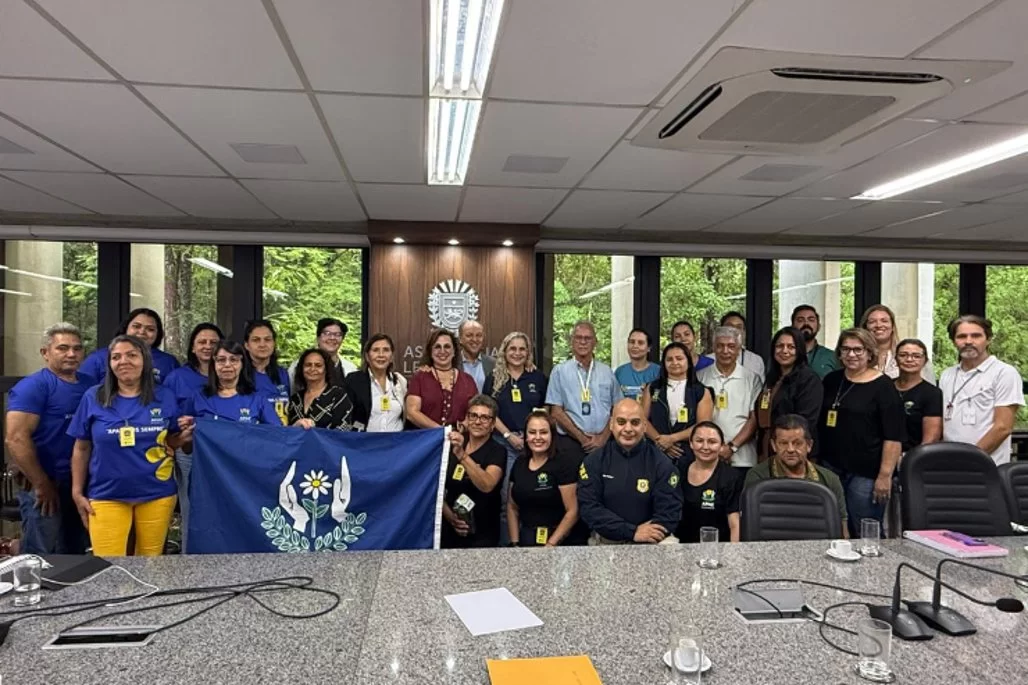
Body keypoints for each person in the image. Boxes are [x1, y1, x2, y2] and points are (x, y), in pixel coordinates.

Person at [68, 335, 191, 556]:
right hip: (106, 493)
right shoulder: (93, 397)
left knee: (151, 564)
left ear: (145, 360)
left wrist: (184, 437)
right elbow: (81, 448)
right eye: (116, 357)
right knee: (109, 565)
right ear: (109, 364)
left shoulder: (164, 396)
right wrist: (77, 492)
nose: (123, 361)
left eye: (131, 355)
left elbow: (170, 440)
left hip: (157, 492)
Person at [5, 323, 90, 554]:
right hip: (44, 486)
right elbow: (16, 439)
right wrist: (41, 484)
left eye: (77, 348)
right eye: (62, 348)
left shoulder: (90, 386)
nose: (71, 354)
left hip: (80, 484)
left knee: (77, 552)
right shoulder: (33, 387)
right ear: (45, 352)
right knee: (42, 555)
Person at [818, 328, 904, 537]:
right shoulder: (831, 380)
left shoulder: (884, 386)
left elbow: (893, 436)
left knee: (864, 529)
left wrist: (884, 476)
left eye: (858, 349)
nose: (851, 354)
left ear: (869, 352)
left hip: (867, 473)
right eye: (846, 349)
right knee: (834, 527)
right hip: (832, 468)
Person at [577, 399, 683, 544]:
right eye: (621, 422)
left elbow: (669, 514)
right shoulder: (594, 461)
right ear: (611, 424)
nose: (628, 429)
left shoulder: (662, 463)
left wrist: (643, 536)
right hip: (607, 541)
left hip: (651, 541)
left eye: (635, 422)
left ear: (644, 426)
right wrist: (631, 532)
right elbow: (589, 509)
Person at [162, 321, 222, 553]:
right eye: (202, 342)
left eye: (213, 342)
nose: (208, 346)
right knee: (191, 506)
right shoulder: (177, 377)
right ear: (193, 348)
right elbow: (166, 413)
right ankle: (190, 557)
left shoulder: (230, 374)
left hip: (224, 454)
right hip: (189, 449)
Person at [483, 332, 547, 545]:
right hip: (504, 444)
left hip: (534, 446)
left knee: (535, 496)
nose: (517, 353)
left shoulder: (537, 377)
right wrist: (508, 435)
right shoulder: (494, 378)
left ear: (528, 353)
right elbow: (489, 412)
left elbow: (545, 409)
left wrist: (532, 436)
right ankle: (508, 547)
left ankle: (532, 545)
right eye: (513, 349)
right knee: (506, 500)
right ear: (504, 351)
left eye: (522, 349)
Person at [939, 315, 1025, 465]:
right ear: (953, 341)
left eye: (976, 336)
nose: (968, 341)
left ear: (988, 339)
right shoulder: (947, 374)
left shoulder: (1004, 373)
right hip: (949, 463)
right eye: (961, 336)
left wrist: (969, 460)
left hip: (987, 465)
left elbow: (1003, 427)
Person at [745, 414, 848, 538]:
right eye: (783, 443)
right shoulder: (758, 477)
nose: (790, 449)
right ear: (774, 445)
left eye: (797, 443)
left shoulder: (830, 479)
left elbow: (842, 531)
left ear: (809, 445)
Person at [545, 320, 623, 464]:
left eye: (587, 338)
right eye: (578, 338)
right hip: (571, 444)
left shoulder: (607, 372)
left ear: (595, 342)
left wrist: (603, 438)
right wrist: (582, 438)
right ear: (571, 341)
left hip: (604, 443)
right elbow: (556, 412)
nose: (583, 342)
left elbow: (618, 408)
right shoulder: (559, 372)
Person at [442, 395, 506, 548]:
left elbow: (487, 485)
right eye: (473, 416)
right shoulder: (453, 444)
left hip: (483, 533)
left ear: (493, 424)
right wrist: (451, 518)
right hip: (449, 528)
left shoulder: (497, 451)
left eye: (484, 418)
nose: (477, 422)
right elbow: (436, 487)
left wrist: (462, 456)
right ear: (467, 418)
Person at [506, 409, 578, 547]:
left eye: (543, 432)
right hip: (526, 538)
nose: (537, 437)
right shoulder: (519, 463)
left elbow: (573, 511)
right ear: (526, 436)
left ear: (552, 435)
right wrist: (515, 543)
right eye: (532, 432)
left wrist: (550, 545)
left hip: (558, 541)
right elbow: (512, 506)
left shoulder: (564, 464)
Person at [697, 326, 762, 473]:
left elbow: (754, 418)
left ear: (739, 350)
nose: (725, 351)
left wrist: (732, 447)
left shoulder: (752, 379)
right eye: (720, 346)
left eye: (731, 346)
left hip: (743, 458)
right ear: (714, 348)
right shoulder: (700, 377)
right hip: (706, 456)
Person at [755, 327, 823, 462]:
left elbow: (806, 421)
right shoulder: (772, 378)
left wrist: (784, 443)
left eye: (791, 347)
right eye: (779, 346)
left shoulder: (808, 379)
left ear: (800, 350)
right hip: (768, 446)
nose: (784, 351)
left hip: (794, 451)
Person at [642, 342, 713, 462]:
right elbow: (642, 419)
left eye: (679, 358)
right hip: (656, 452)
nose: (674, 362)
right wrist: (660, 441)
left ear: (688, 362)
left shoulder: (701, 391)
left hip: (688, 453)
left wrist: (672, 439)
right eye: (669, 359)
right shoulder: (653, 388)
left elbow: (703, 426)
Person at [185, 340, 279, 425]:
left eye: (233, 360)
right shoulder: (198, 397)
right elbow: (179, 434)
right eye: (221, 360)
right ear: (213, 365)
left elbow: (277, 433)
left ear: (242, 365)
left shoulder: (257, 400)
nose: (227, 365)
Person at [676, 421, 741, 543]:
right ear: (691, 443)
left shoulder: (731, 477)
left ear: (722, 446)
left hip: (719, 547)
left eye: (712, 442)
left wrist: (734, 552)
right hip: (681, 546)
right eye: (699, 441)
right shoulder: (679, 470)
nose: (705, 447)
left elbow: (734, 523)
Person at [79, 308, 180, 385]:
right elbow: (82, 389)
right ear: (125, 328)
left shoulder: (168, 362)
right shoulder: (98, 358)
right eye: (136, 326)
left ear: (158, 334)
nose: (142, 332)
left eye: (150, 329)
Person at [406, 329, 478, 428]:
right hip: (427, 437)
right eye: (437, 347)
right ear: (430, 352)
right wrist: (441, 431)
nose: (442, 351)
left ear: (454, 351)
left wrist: (462, 428)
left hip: (458, 437)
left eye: (447, 346)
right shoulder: (420, 377)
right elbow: (412, 413)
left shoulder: (468, 380)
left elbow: (476, 412)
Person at [345, 334, 407, 432]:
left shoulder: (400, 381)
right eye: (375, 350)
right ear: (367, 356)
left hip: (396, 440)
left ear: (391, 357)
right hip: (365, 439)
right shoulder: (354, 380)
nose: (381, 355)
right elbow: (347, 416)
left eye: (386, 350)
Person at [287, 348, 358, 431]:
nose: (312, 369)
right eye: (308, 365)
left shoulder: (338, 396)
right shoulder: (295, 399)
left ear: (326, 369)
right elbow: (287, 431)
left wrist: (317, 432)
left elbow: (343, 430)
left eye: (318, 365)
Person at [860, 304, 935, 382]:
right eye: (872, 322)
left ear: (892, 326)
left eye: (884, 321)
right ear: (865, 327)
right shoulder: (857, 356)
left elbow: (929, 386)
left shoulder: (912, 354)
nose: (878, 325)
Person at [895, 339, 943, 452]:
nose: (909, 359)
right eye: (903, 355)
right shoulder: (885, 387)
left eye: (916, 356)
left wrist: (913, 458)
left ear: (925, 361)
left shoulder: (932, 393)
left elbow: (930, 439)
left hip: (912, 456)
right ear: (895, 359)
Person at [287, 318, 357, 390]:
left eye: (337, 334)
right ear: (318, 337)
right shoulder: (298, 366)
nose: (332, 338)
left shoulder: (351, 368)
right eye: (327, 333)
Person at [243, 319, 289, 425]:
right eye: (256, 340)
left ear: (274, 343)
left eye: (267, 339)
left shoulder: (283, 374)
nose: (262, 344)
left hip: (280, 433)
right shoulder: (238, 375)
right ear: (247, 345)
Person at [705, 312, 764, 378]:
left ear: (744, 332)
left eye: (739, 327)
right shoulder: (708, 360)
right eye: (729, 326)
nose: (734, 330)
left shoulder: (756, 360)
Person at [791, 304, 840, 379]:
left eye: (811, 320)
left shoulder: (832, 357)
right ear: (792, 326)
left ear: (818, 326)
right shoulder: (784, 355)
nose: (806, 323)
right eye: (800, 320)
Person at [614, 328, 660, 400]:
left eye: (640, 343)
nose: (635, 346)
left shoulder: (658, 371)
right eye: (632, 342)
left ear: (648, 348)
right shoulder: (619, 372)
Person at [458, 320, 494, 393]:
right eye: (469, 335)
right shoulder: (452, 363)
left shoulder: (492, 364)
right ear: (460, 339)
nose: (474, 339)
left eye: (479, 335)